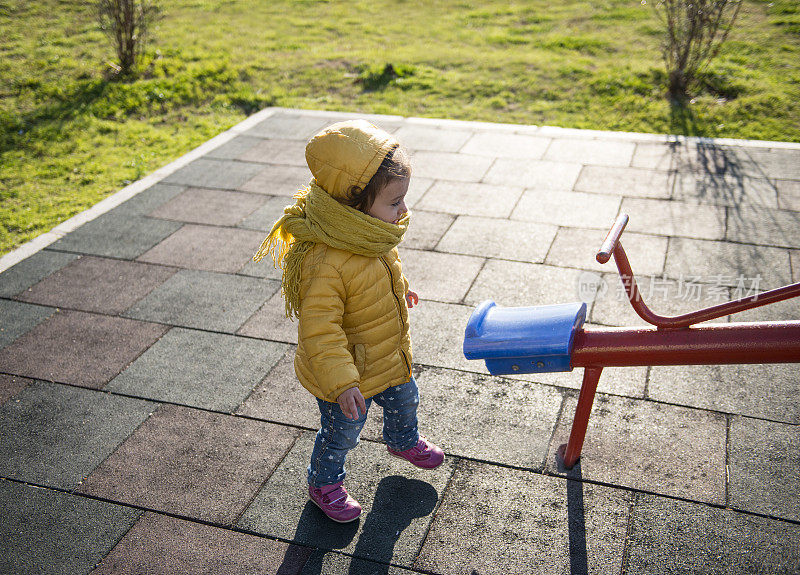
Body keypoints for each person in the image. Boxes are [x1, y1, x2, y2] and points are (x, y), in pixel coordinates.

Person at [253, 120, 444, 523]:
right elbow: (320, 331)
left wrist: (401, 287)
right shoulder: (326, 262)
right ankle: (323, 484)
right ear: (355, 204)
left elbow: (386, 264)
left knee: (406, 400)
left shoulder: (371, 232)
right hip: (347, 376)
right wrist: (342, 383)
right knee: (341, 435)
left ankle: (401, 440)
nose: (403, 210)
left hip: (387, 355)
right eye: (395, 202)